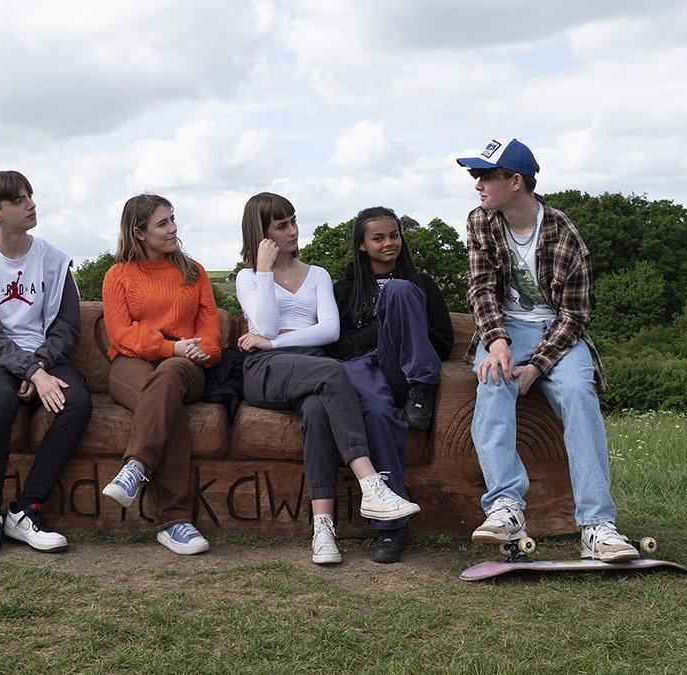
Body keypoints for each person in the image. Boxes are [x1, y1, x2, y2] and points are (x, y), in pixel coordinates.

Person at [457, 138, 639, 562]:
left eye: (485, 175)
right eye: (475, 176)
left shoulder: (564, 234)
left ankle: (597, 525)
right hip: (505, 325)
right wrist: (496, 342)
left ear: (515, 182)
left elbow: (575, 316)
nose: (477, 185)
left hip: (557, 329)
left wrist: (536, 367)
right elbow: (481, 288)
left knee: (579, 393)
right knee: (492, 379)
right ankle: (505, 507)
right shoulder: (481, 221)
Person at [235, 192, 420, 565]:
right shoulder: (247, 277)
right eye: (281, 225)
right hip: (267, 369)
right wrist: (264, 271)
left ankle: (323, 529)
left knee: (319, 411)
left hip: (312, 370)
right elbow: (265, 322)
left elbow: (329, 331)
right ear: (262, 233)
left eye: (293, 221)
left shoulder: (317, 275)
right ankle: (372, 485)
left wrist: (273, 339)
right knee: (335, 372)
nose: (293, 231)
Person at [0, 170, 92, 556]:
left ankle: (26, 509)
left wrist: (40, 364)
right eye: (18, 200)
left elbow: (67, 326)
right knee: (1, 401)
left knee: (77, 402)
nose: (30, 204)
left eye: (30, 195)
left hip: (46, 354)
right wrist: (28, 371)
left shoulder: (55, 260)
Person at [99, 194, 222, 555]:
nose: (173, 228)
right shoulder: (118, 275)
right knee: (167, 407)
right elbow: (121, 335)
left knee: (168, 378)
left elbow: (211, 331)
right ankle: (175, 523)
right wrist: (171, 347)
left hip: (187, 366)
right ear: (139, 232)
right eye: (163, 223)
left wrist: (198, 350)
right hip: (131, 363)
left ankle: (136, 466)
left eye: (173, 219)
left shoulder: (193, 271)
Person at [331, 207, 453, 563]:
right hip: (361, 369)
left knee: (399, 291)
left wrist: (401, 324)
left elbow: (443, 342)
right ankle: (392, 526)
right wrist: (382, 325)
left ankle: (422, 387)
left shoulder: (419, 284)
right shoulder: (345, 289)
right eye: (378, 238)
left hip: (403, 369)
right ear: (362, 245)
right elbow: (339, 346)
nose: (389, 243)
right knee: (377, 413)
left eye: (394, 235)